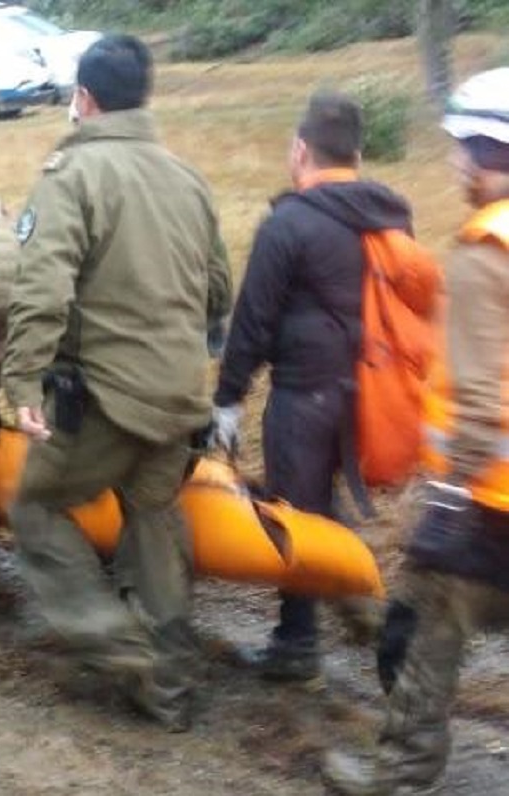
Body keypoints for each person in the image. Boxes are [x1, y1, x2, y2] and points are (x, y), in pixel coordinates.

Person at [2, 34, 233, 731]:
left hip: (106, 397)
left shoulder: (72, 176)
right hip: (183, 393)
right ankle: (171, 689)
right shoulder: (187, 178)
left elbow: (42, 288)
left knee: (36, 507)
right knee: (153, 517)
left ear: (85, 99)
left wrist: (20, 381)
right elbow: (219, 290)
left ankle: (116, 641)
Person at [323, 68, 509, 796]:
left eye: (462, 147)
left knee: (427, 622)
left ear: (486, 148)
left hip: (486, 496)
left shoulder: (484, 249)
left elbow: (482, 392)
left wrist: (450, 491)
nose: (455, 162)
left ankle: (401, 776)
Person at [209, 91, 413, 682]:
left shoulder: (289, 223)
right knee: (321, 506)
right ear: (357, 153)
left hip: (305, 395)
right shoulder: (385, 214)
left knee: (291, 514)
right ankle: (359, 607)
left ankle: (299, 643)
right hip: (366, 393)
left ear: (301, 149)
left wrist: (227, 399)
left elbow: (253, 320)